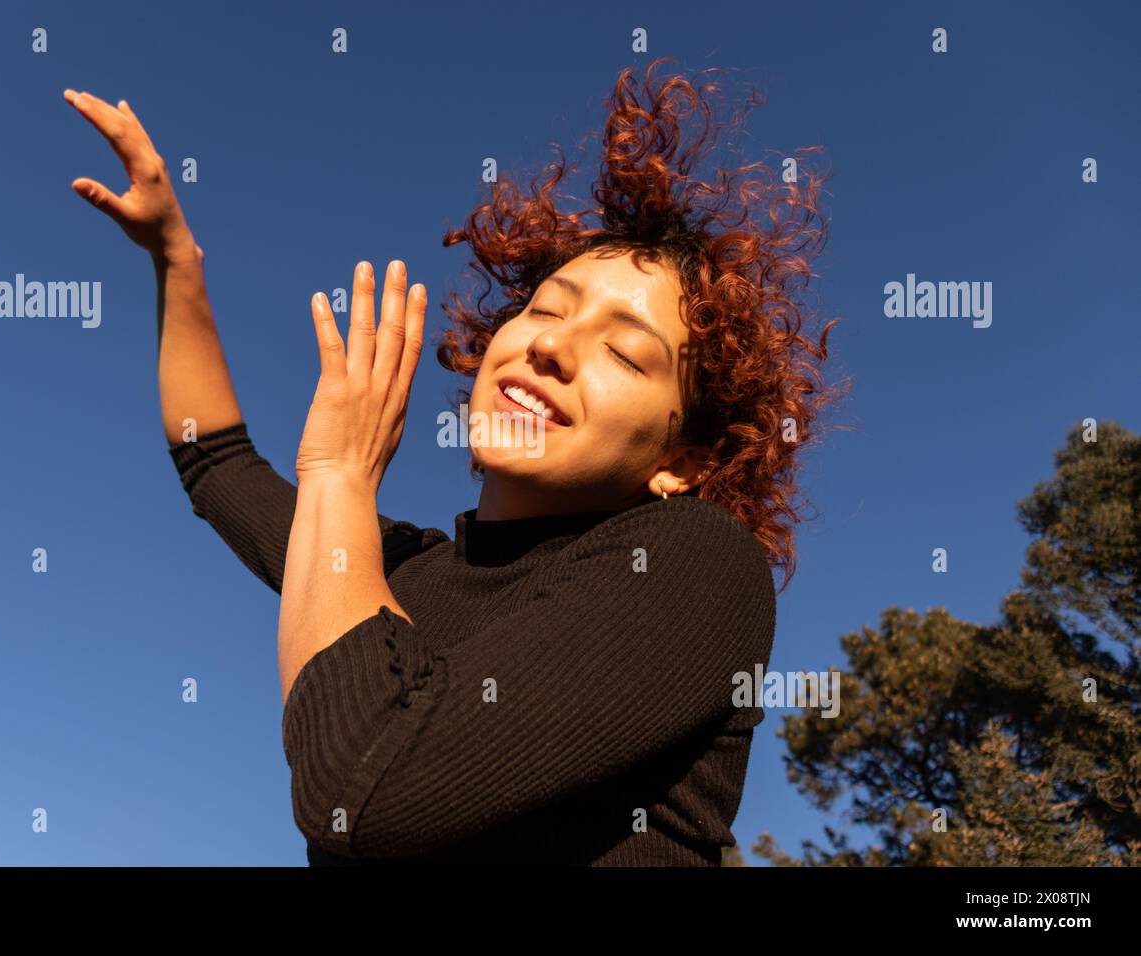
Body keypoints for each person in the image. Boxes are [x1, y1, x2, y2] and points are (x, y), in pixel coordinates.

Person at [61, 57, 842, 866]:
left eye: (622, 351)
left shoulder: (698, 561)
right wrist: (175, 259)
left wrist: (338, 474)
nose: (547, 345)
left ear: (681, 461)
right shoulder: (393, 567)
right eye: (544, 309)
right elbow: (214, 463)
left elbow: (365, 793)